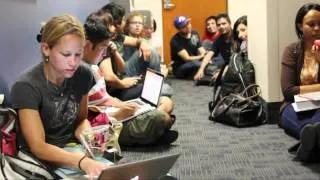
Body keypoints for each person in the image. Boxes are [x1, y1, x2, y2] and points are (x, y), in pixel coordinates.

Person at [10, 14, 107, 177]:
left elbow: (80, 120)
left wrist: (91, 138)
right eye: (66, 54)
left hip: (72, 149)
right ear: (46, 49)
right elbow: (38, 147)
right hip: (40, 161)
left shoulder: (83, 73)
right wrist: (82, 161)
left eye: (78, 54)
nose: (73, 62)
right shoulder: (26, 86)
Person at [83, 11, 178, 145]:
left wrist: (121, 105)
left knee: (166, 102)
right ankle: (154, 129)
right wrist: (117, 113)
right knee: (162, 117)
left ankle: (153, 128)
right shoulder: (80, 73)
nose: (105, 52)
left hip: (113, 107)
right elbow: (83, 120)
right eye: (103, 47)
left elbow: (105, 96)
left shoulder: (94, 65)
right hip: (108, 119)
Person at [98, 3, 172, 100]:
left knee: (150, 49)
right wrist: (123, 83)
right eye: (123, 19)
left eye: (140, 23)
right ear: (117, 22)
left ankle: (155, 86)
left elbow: (137, 42)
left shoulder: (119, 37)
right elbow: (109, 78)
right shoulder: (104, 41)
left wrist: (143, 44)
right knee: (166, 89)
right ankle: (155, 88)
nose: (124, 21)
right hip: (118, 88)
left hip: (124, 75)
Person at [280, 3, 320, 161]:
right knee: (291, 115)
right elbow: (288, 91)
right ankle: (309, 136)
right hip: (294, 103)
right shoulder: (292, 51)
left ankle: (311, 140)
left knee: (317, 120)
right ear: (300, 25)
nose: (317, 28)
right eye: (311, 24)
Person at [194, 13, 233, 81]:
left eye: (224, 24)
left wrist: (222, 72)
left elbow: (235, 61)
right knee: (201, 76)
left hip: (235, 67)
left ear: (229, 23)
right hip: (225, 66)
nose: (221, 26)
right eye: (219, 25)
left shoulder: (236, 37)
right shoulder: (219, 39)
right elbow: (209, 54)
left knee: (222, 78)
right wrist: (201, 69)